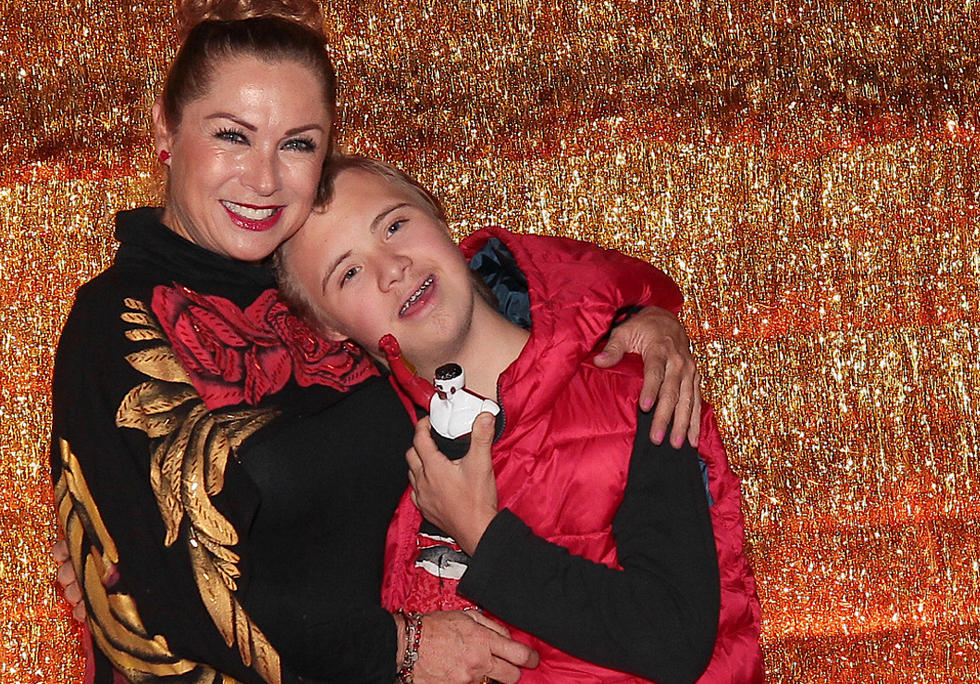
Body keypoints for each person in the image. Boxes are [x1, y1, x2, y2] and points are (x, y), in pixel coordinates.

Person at [50, 1, 706, 682]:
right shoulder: (116, 323)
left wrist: (637, 316)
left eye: (297, 144)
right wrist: (401, 647)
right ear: (165, 126)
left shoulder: (321, 280)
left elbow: (483, 298)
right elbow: (180, 590)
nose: (264, 179)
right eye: (232, 136)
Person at [274, 156, 764, 682]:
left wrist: (481, 535)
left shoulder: (635, 392)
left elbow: (674, 639)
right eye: (348, 273)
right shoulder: (363, 454)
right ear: (327, 327)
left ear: (439, 220)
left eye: (394, 226)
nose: (390, 268)